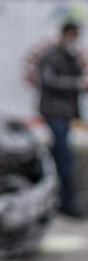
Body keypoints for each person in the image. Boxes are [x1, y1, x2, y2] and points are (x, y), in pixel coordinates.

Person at [38, 21, 87, 217]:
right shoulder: (51, 57)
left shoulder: (71, 57)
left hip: (65, 115)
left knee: (64, 158)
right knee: (62, 158)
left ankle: (63, 201)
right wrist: (77, 84)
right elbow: (49, 81)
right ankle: (64, 203)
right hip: (54, 113)